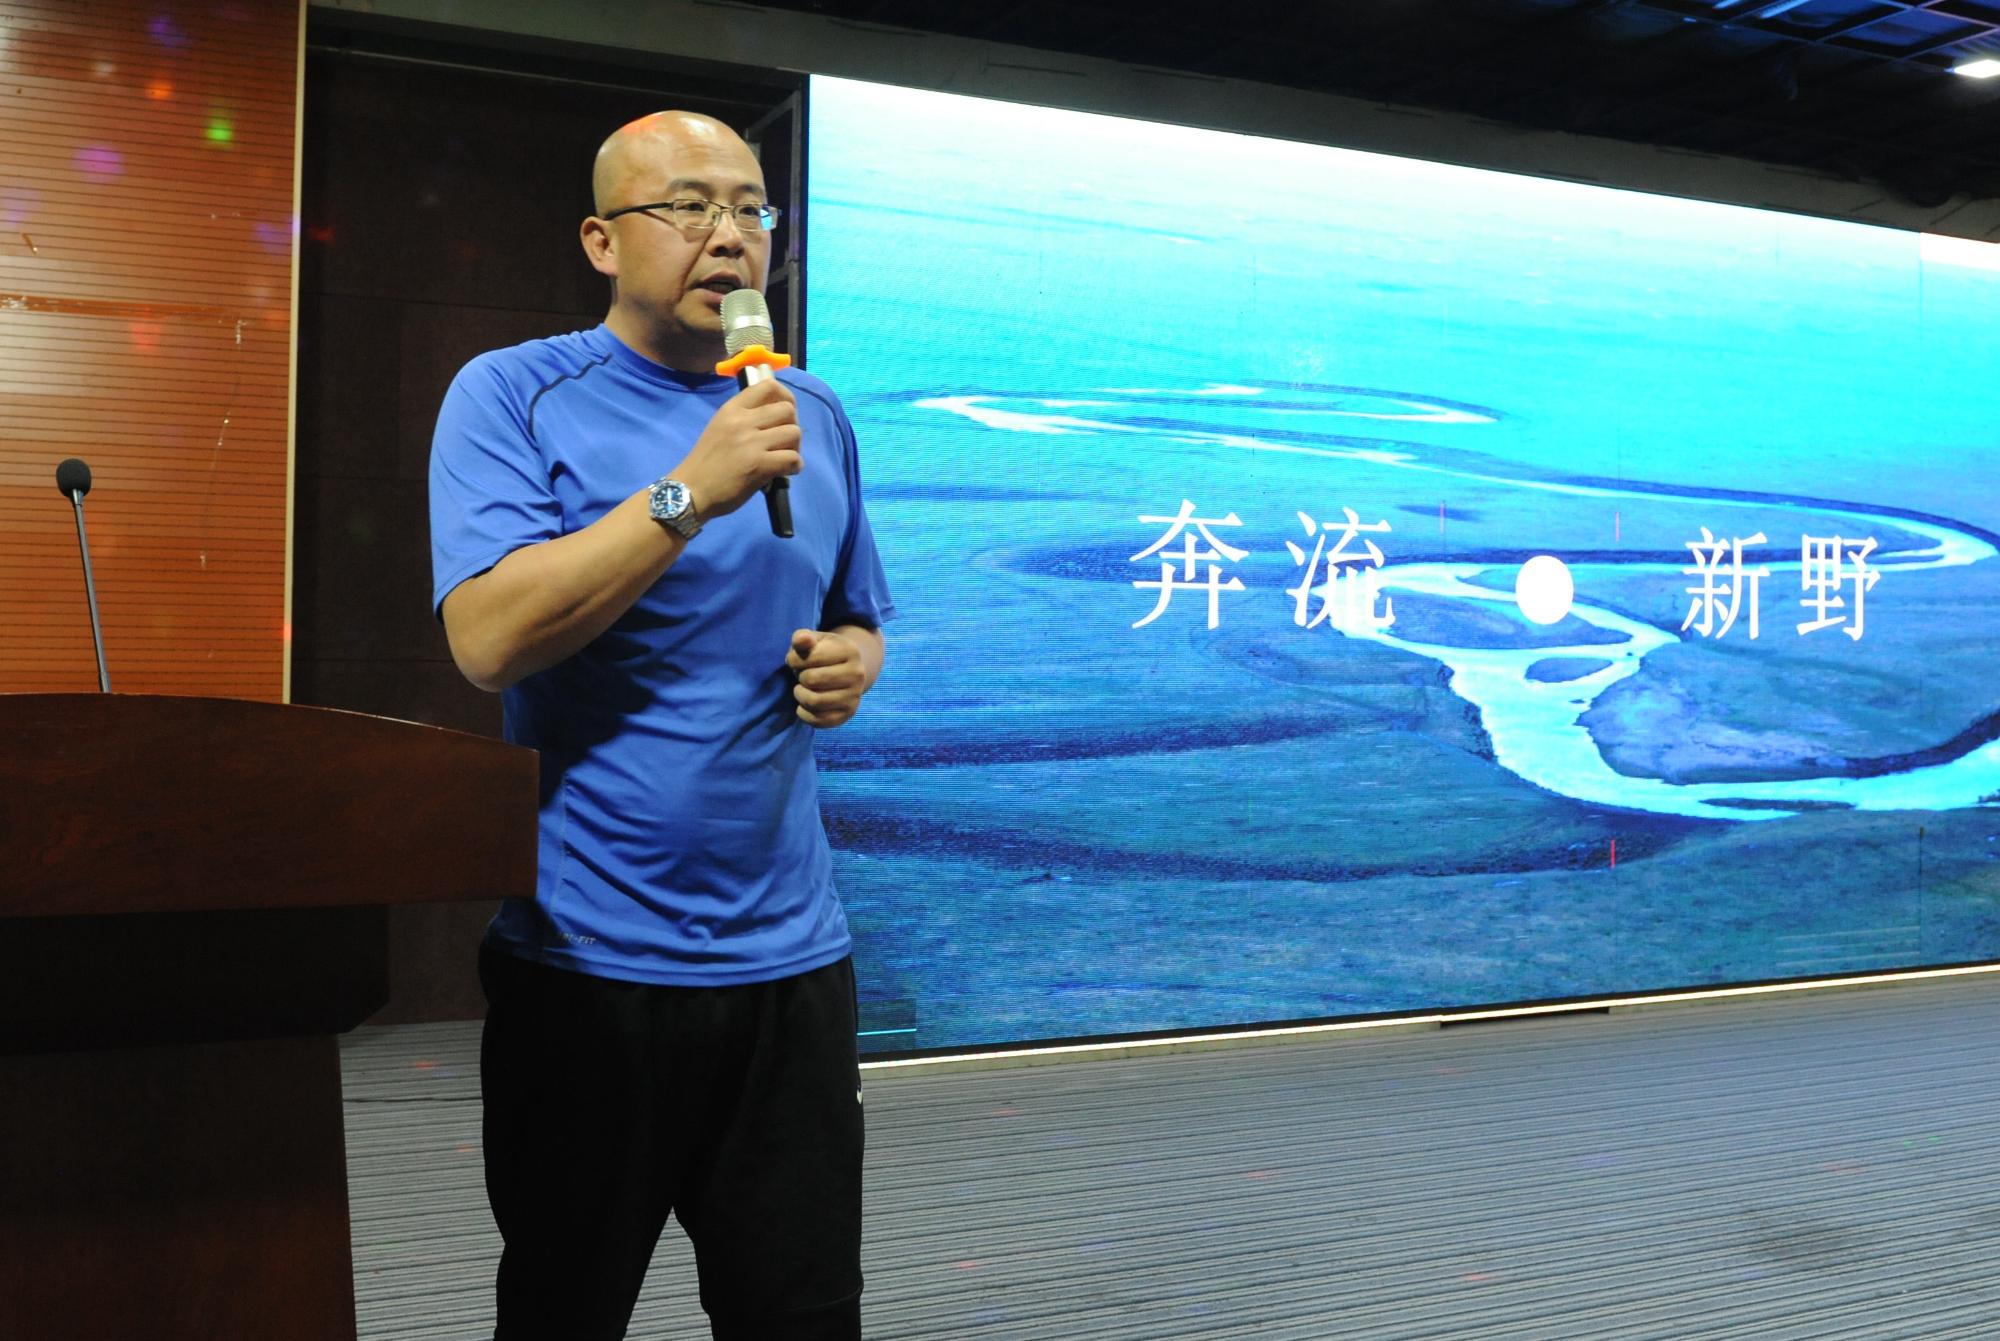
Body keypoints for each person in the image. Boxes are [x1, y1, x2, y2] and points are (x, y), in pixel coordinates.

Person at [427, 110, 893, 1341]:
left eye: (749, 209)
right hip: (588, 968)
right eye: (687, 206)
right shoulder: (513, 395)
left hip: (792, 968)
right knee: (564, 1310)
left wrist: (850, 666)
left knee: (801, 1316)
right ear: (601, 240)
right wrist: (692, 488)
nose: (728, 237)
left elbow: (856, 617)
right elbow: (486, 640)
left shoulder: (809, 411)